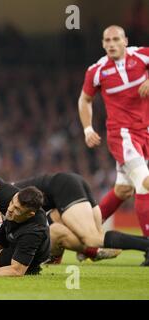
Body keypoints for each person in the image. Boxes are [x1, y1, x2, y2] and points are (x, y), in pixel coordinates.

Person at [0, 158, 149, 266]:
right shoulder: (7, 199)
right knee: (72, 228)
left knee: (91, 237)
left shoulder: (2, 199)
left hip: (62, 187)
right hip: (65, 184)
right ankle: (85, 252)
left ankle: (141, 246)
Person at [78, 25, 149, 236]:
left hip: (145, 131)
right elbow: (85, 99)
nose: (111, 44)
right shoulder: (97, 70)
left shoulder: (142, 56)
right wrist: (87, 128)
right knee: (145, 184)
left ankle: (85, 232)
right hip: (123, 136)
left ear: (125, 41)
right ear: (102, 44)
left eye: (116, 39)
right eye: (107, 41)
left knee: (123, 190)